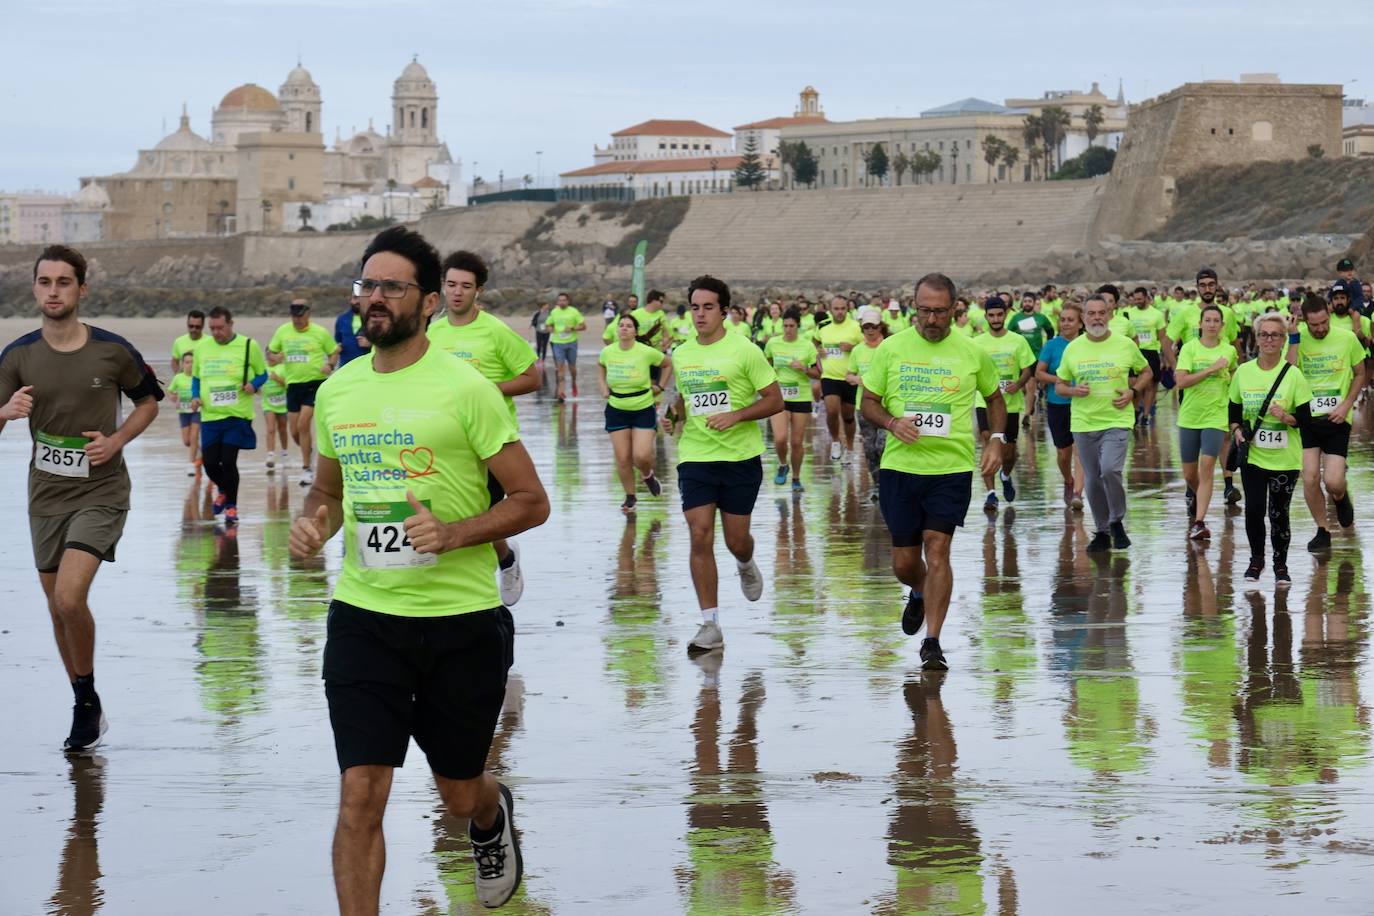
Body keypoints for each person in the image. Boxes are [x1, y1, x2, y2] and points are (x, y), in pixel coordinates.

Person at [289, 225, 549, 912]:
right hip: (365, 620)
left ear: (429, 301)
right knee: (360, 794)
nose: (373, 298)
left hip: (459, 624)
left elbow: (531, 500)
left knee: (459, 792)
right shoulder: (340, 392)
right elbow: (328, 491)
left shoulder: (467, 391)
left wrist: (457, 531)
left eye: (390, 287)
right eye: (365, 285)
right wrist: (316, 522)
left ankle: (492, 819)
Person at [0, 244, 163, 752]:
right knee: (56, 608)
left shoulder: (112, 350)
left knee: (70, 597)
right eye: (45, 282)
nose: (53, 291)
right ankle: (85, 702)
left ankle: (85, 699)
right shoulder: (18, 356)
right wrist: (6, 411)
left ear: (81, 289)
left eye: (63, 282)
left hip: (102, 490)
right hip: (45, 495)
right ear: (34, 289)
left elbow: (149, 401)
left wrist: (116, 441)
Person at [860, 272, 1003, 671]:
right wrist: (891, 423)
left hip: (951, 468)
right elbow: (868, 402)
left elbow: (994, 399)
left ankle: (933, 642)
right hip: (900, 468)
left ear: (955, 309)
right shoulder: (891, 349)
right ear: (914, 308)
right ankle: (920, 592)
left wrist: (997, 439)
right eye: (924, 311)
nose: (931, 319)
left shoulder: (972, 352)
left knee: (937, 549)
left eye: (940, 312)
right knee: (905, 563)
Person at [661, 275, 782, 654]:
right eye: (694, 307)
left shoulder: (744, 350)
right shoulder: (682, 354)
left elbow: (775, 400)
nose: (700, 314)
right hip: (696, 456)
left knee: (735, 540)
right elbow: (684, 397)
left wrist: (739, 415)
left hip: (740, 458)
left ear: (724, 311)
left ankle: (745, 561)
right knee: (699, 534)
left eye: (708, 307)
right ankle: (710, 624)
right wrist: (673, 416)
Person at [429, 250, 541, 607]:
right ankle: (462, 581)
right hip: (448, 438)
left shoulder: (494, 330)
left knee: (485, 515)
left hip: (491, 439)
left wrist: (489, 390)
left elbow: (532, 378)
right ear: (442, 288)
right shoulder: (433, 331)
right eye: (451, 285)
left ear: (479, 291)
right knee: (454, 511)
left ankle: (504, 563)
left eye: (466, 286)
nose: (457, 292)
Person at [1054, 295, 1152, 552]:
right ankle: (1102, 531)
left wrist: (1134, 392)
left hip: (1116, 419)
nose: (1097, 317)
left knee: (1110, 470)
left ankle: (1117, 519)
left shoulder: (1124, 345)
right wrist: (1074, 391)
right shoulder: (1073, 348)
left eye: (1101, 313)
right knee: (1093, 480)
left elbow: (1146, 372)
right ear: (1083, 318)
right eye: (1091, 314)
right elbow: (1060, 386)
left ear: (1109, 315)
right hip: (1084, 423)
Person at [1229, 313, 1312, 585]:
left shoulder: (1293, 375)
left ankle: (1280, 565)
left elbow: (1305, 419)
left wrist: (1286, 417)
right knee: (1254, 510)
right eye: (1264, 334)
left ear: (1283, 340)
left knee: (1279, 513)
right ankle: (1256, 561)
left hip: (1285, 460)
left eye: (1275, 335)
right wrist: (1237, 430)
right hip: (1253, 456)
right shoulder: (1243, 372)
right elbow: (1234, 409)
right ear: (1257, 338)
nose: (1269, 340)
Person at [1287, 295, 1365, 550]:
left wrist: (1346, 405)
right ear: (1305, 321)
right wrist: (1295, 338)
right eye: (1314, 325)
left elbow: (1360, 373)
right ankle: (1322, 529)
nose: (1319, 329)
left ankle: (1341, 498)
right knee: (1309, 478)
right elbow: (1288, 372)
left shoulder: (1347, 338)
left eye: (1323, 323)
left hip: (1337, 418)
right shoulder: (1298, 337)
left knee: (1333, 481)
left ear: (1329, 314)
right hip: (1307, 419)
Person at [1169, 269, 1242, 505]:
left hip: (1220, 387)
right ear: (1197, 287)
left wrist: (1238, 376)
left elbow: (1235, 344)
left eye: (1212, 284)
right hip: (1191, 383)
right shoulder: (1185, 313)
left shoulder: (1228, 313)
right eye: (1203, 285)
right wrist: (1175, 367)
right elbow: (1169, 341)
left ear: (1217, 286)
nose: (1207, 288)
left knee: (1223, 439)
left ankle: (1229, 485)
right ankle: (1192, 489)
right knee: (1193, 439)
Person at [192, 306, 268, 526]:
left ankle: (231, 507)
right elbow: (196, 377)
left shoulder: (247, 345)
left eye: (220, 328)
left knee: (228, 460)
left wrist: (254, 385)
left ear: (230, 324)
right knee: (209, 463)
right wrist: (196, 396)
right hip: (210, 417)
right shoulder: (202, 348)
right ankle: (223, 489)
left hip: (237, 416)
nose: (216, 333)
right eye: (212, 328)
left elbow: (263, 373)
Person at [1174, 304, 1237, 540]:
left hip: (1216, 416)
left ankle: (1199, 522)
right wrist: (1211, 369)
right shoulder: (1189, 349)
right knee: (1190, 474)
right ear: (1200, 324)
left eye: (1216, 321)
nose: (1211, 324)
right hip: (1190, 416)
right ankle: (1197, 495)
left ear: (1222, 325)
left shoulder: (1229, 351)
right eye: (1207, 320)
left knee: (1207, 466)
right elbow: (1182, 381)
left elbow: (1233, 376)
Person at [599, 312, 672, 512]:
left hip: (642, 408)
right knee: (623, 458)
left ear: (635, 331)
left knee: (641, 456)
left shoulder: (645, 351)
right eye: (621, 325)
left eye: (628, 326)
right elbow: (600, 366)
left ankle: (647, 476)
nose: (624, 328)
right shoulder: (608, 351)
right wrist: (603, 387)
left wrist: (661, 386)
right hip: (616, 408)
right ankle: (630, 496)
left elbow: (667, 364)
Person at [267, 298, 340, 487]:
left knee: (303, 424)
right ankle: (310, 452)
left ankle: (307, 469)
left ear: (308, 313)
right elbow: (270, 352)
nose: (297, 320)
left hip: (315, 383)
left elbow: (334, 351)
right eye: (293, 316)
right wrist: (275, 357)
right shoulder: (283, 331)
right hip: (293, 385)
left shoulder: (319, 332)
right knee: (294, 431)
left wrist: (330, 364)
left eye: (300, 316)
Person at [972, 297, 1035, 510]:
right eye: (992, 315)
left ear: (1005, 314)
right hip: (985, 402)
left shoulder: (1018, 340)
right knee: (987, 442)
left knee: (1008, 452)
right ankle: (990, 494)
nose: (996, 319)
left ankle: (1006, 475)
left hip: (1010, 404)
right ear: (986, 316)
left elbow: (1028, 369)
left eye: (999, 315)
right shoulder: (977, 342)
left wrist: (1018, 384)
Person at [762, 306, 820, 492]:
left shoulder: (807, 345)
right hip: (779, 396)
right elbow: (765, 365)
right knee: (780, 438)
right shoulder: (773, 343)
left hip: (801, 396)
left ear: (798, 326)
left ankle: (796, 477)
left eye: (791, 326)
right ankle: (782, 464)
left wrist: (803, 368)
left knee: (796, 442)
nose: (788, 329)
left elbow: (818, 373)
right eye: (785, 325)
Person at [1035, 300, 1085, 509]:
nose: (1065, 324)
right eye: (1062, 320)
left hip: (1083, 404)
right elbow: (1039, 373)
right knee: (1063, 453)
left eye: (1070, 320)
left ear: (1080, 323)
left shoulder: (1086, 344)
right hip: (1058, 403)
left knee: (1079, 450)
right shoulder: (1052, 345)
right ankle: (1068, 479)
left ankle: (1077, 494)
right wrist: (1058, 380)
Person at [815, 295, 864, 464]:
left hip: (849, 377)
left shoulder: (856, 327)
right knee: (832, 411)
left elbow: (866, 347)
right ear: (830, 310)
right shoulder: (823, 326)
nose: (840, 312)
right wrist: (819, 349)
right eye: (836, 309)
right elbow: (815, 341)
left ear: (847, 309)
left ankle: (850, 448)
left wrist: (853, 347)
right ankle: (836, 441)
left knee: (848, 417)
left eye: (843, 308)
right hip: (829, 376)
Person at [847, 306, 889, 497]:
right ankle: (878, 485)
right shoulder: (857, 350)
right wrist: (859, 380)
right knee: (870, 448)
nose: (870, 331)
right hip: (862, 406)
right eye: (866, 327)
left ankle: (889, 483)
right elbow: (849, 375)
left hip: (886, 406)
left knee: (883, 445)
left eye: (873, 326)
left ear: (881, 327)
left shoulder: (889, 347)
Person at [1121, 287, 1168, 426]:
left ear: (1146, 298)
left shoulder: (1157, 314)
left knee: (1150, 386)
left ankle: (1146, 415)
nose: (1137, 301)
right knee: (1136, 384)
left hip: (1151, 351)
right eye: (1135, 299)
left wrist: (1163, 358)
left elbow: (1162, 337)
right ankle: (1135, 410)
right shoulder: (1127, 313)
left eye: (1140, 299)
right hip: (1134, 351)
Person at [1007, 290, 1054, 422]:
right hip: (1019, 357)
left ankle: (1027, 414)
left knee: (1030, 383)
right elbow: (1009, 333)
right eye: (1025, 301)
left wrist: (1047, 345)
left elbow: (1050, 330)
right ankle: (1031, 401)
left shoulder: (1041, 318)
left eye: (1030, 301)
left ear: (1034, 303)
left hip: (1035, 356)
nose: (1027, 303)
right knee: (1022, 386)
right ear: (1022, 303)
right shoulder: (1016, 318)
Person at [168, 351, 201, 476]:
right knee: (187, 441)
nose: (190, 365)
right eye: (187, 362)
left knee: (194, 437)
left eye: (193, 362)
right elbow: (171, 391)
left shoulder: (198, 378)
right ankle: (201, 452)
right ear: (182, 364)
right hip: (183, 412)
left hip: (197, 411)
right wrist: (174, 398)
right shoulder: (178, 378)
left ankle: (190, 464)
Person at [548, 292, 585, 401]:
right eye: (560, 300)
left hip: (571, 342)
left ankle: (573, 382)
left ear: (568, 301)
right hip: (557, 343)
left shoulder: (574, 311)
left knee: (572, 368)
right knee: (560, 369)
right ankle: (561, 392)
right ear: (557, 302)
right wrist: (550, 328)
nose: (562, 302)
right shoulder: (554, 312)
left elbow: (583, 326)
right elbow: (548, 325)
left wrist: (573, 328)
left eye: (564, 300)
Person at [260, 361, 289, 471]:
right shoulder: (263, 368)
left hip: (282, 404)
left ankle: (285, 453)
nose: (270, 356)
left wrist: (277, 378)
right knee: (271, 429)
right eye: (268, 354)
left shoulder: (283, 367)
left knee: (282, 430)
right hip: (268, 404)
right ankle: (270, 455)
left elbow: (289, 384)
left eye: (272, 353)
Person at [333, 291, 371, 368]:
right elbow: (337, 340)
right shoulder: (342, 319)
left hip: (367, 364)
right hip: (345, 364)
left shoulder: (374, 318)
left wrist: (371, 344)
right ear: (350, 300)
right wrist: (338, 346)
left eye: (361, 298)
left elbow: (386, 343)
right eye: (355, 298)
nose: (358, 301)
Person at [170, 309, 205, 376]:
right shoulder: (179, 341)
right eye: (191, 326)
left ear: (203, 326)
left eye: (197, 327)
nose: (193, 329)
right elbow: (175, 361)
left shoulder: (210, 341)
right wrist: (178, 375)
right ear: (187, 324)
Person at [531, 300, 552, 365]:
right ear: (543, 306)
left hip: (546, 331)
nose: (547, 306)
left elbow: (552, 321)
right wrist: (535, 326)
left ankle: (543, 360)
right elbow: (534, 321)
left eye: (547, 305)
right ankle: (538, 358)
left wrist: (550, 327)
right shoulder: (538, 313)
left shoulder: (549, 313)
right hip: (539, 331)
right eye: (546, 305)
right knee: (539, 345)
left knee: (545, 346)